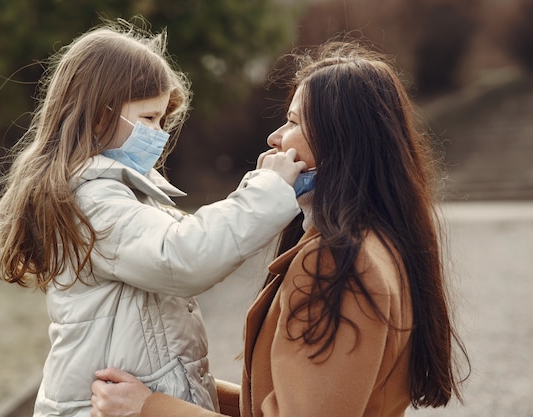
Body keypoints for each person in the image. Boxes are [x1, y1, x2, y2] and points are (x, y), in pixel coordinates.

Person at [89, 39, 470, 417]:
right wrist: (176, 390)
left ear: (341, 138)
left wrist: (150, 407)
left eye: (292, 121)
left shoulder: (338, 262)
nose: (274, 138)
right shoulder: (380, 243)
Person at [0, 20, 307, 417]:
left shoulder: (121, 192)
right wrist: (267, 190)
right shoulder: (90, 197)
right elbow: (182, 255)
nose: (159, 134)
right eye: (148, 118)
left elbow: (186, 234)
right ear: (97, 116)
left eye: (163, 120)